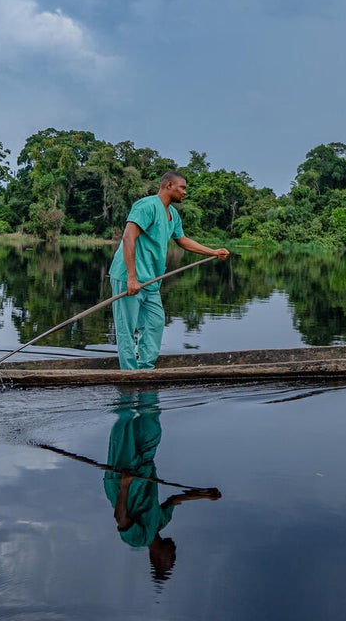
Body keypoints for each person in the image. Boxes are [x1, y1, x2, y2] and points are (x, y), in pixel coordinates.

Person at [109, 171, 229, 370]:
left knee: (155, 324)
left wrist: (213, 252)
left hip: (151, 281)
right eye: (182, 187)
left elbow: (182, 240)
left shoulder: (172, 214)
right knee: (126, 329)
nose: (185, 192)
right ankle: (129, 373)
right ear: (169, 186)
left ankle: (146, 368)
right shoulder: (146, 206)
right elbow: (128, 238)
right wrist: (131, 278)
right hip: (128, 276)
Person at [103, 390, 221, 583]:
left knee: (125, 421)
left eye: (171, 558)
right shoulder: (161, 522)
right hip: (144, 468)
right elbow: (176, 500)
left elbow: (121, 517)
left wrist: (125, 485)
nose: (174, 553)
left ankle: (126, 382)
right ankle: (147, 384)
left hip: (123, 477)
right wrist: (205, 494)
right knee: (152, 424)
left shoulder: (138, 539)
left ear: (157, 559)